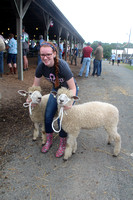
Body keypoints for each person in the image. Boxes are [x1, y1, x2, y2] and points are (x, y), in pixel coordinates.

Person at [30, 41, 78, 158]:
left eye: (48, 54)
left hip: (67, 92)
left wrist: (69, 102)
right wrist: (30, 98)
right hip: (56, 90)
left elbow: (72, 87)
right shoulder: (41, 67)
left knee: (62, 118)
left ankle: (62, 143)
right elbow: (35, 86)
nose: (45, 58)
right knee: (48, 114)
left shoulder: (62, 66)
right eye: (42, 55)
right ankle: (49, 140)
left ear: (54, 53)